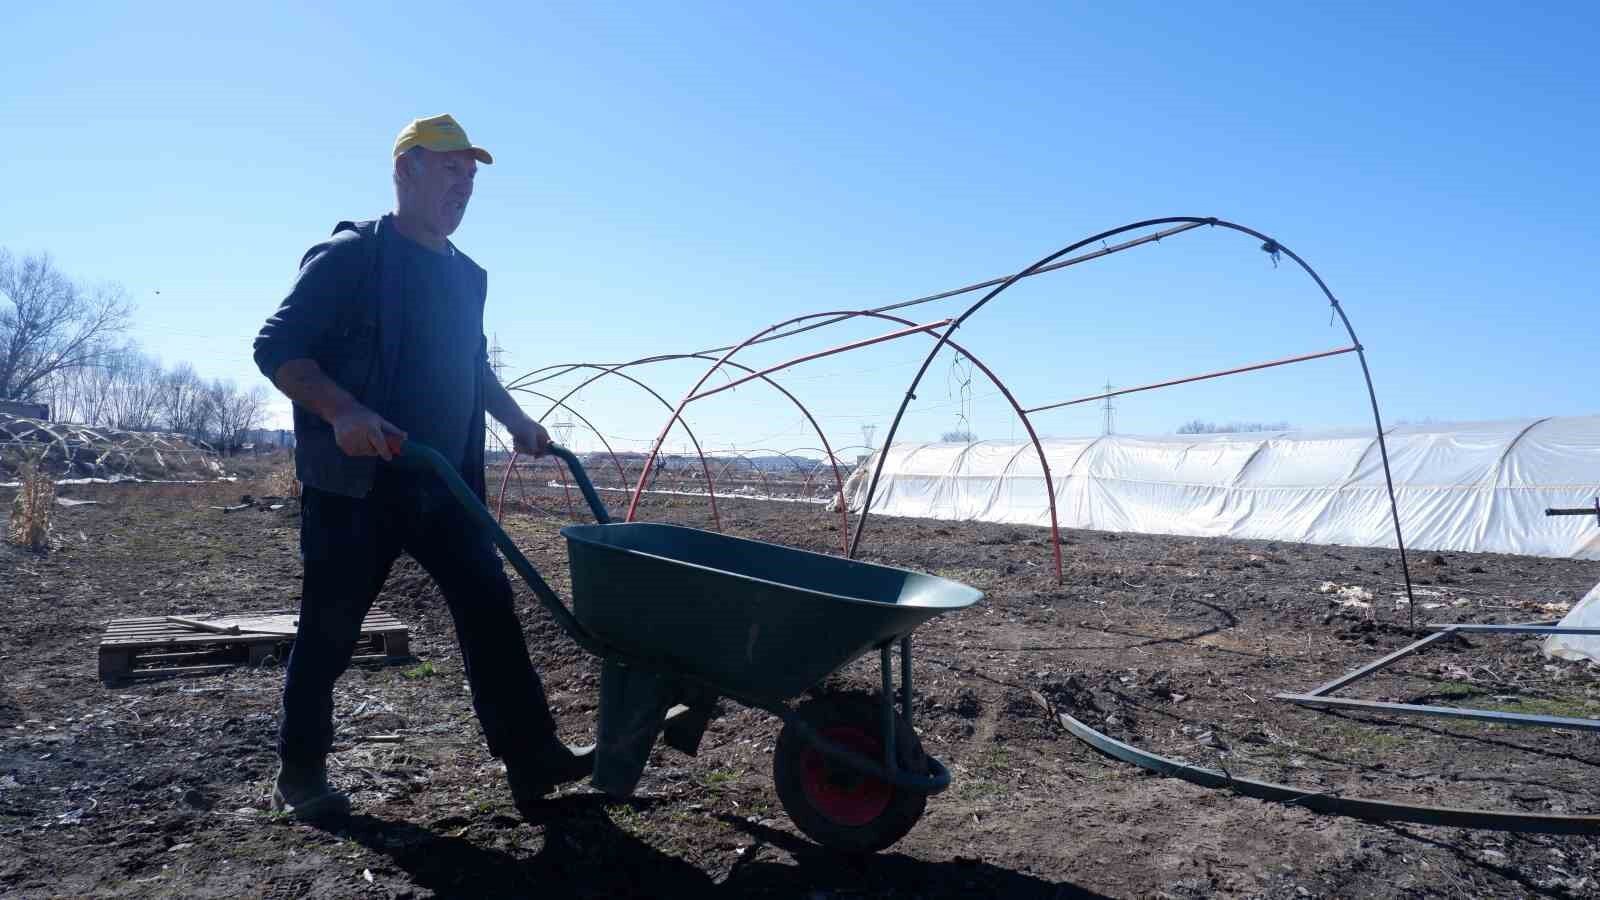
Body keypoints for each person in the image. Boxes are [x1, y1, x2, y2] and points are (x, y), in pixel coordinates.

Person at [252, 114, 591, 823]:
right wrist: (343, 411)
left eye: (470, 178)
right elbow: (277, 346)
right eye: (449, 171)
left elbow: (471, 366)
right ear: (404, 170)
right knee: (332, 628)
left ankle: (531, 758)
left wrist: (515, 419)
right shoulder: (351, 257)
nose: (463, 189)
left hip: (445, 482)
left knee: (491, 612)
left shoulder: (467, 277)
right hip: (358, 487)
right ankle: (301, 770)